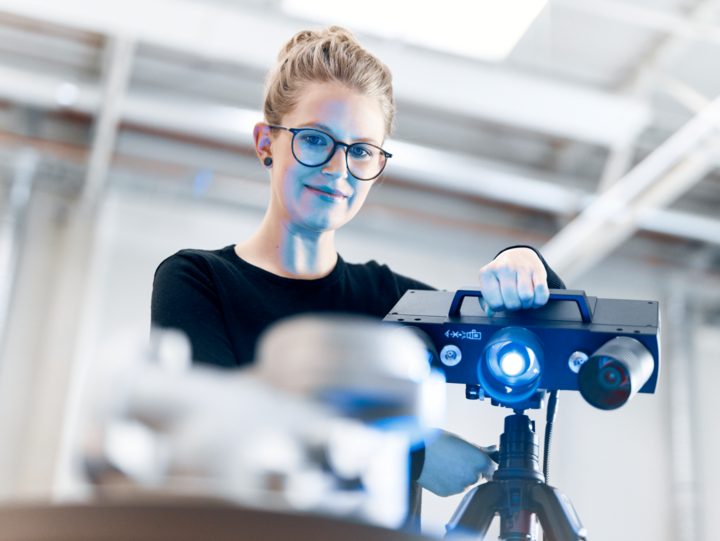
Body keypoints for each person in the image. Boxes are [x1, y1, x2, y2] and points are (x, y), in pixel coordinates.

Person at [151, 26, 565, 527]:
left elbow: (547, 334)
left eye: (362, 150)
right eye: (314, 140)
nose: (338, 168)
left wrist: (523, 260)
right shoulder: (198, 280)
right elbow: (212, 430)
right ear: (266, 143)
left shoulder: (393, 302)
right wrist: (411, 449)